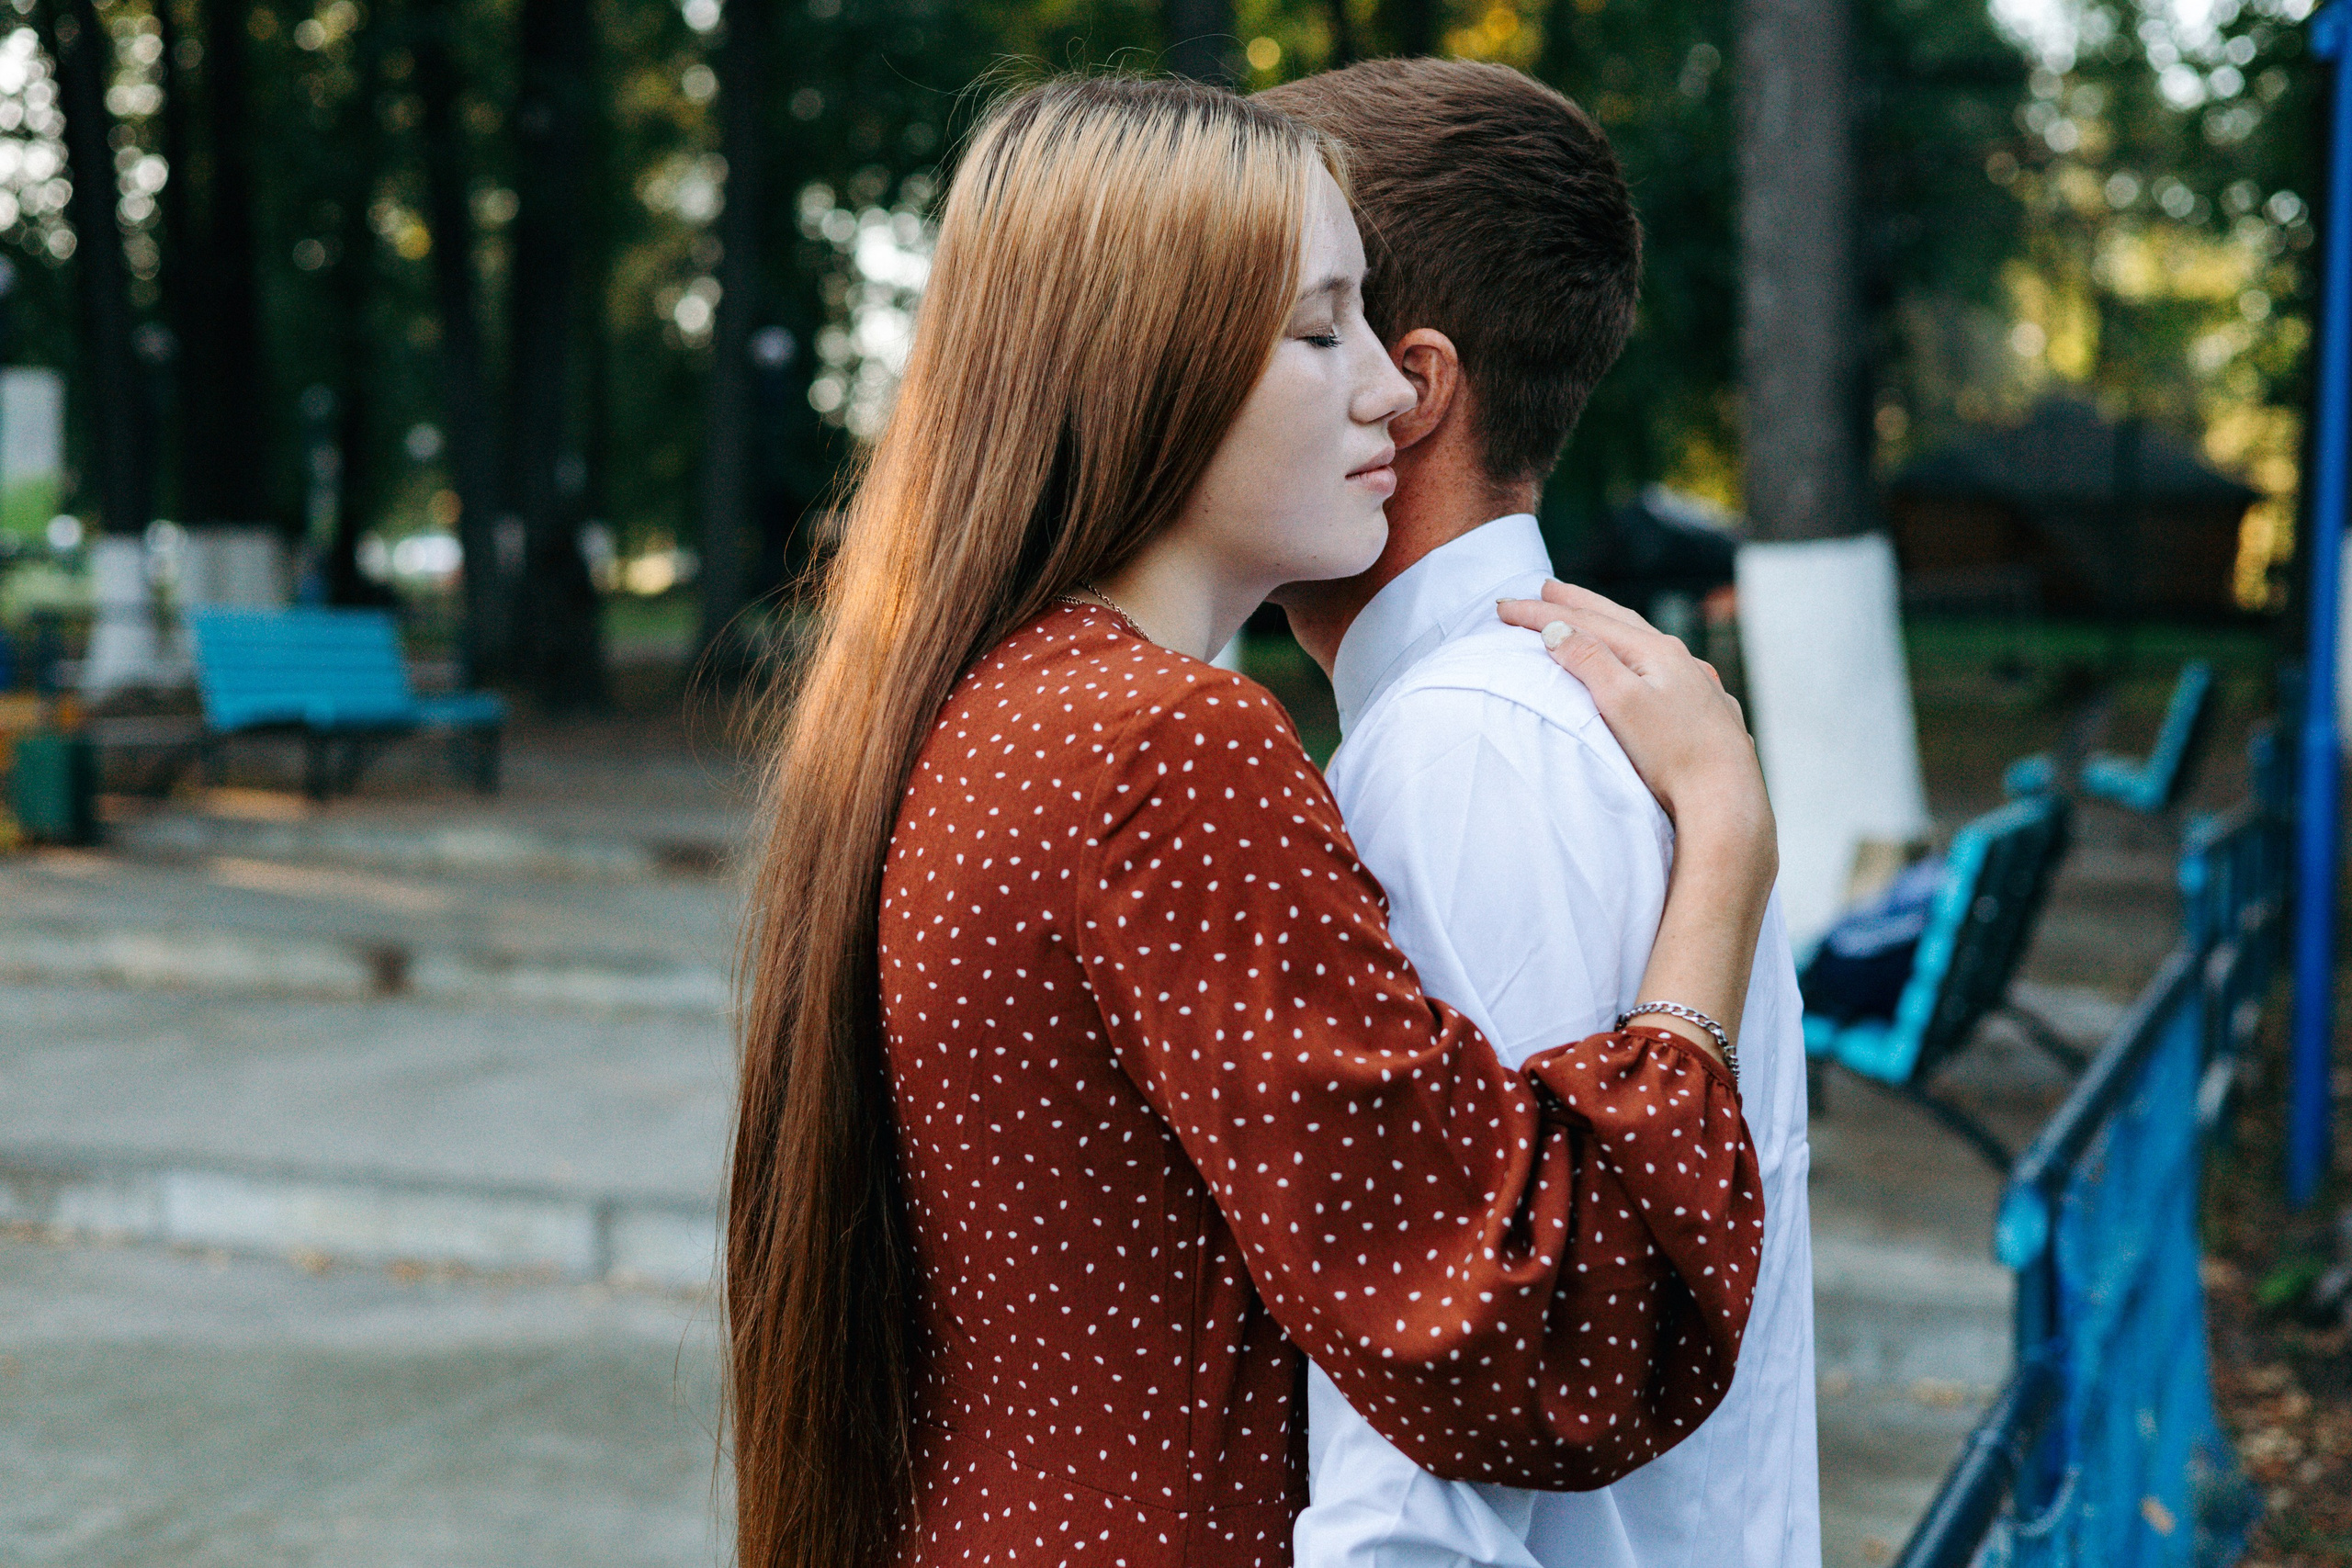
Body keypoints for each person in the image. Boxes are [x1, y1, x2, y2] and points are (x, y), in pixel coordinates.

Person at [726, 74, 1780, 1568]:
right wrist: (1723, 852)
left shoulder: (974, 710)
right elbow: (1533, 1337)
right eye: (1317, 328)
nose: (1390, 389)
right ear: (1143, 362)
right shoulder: (1172, 745)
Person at [1260, 59, 1819, 1568]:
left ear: (1406, 387)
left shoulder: (1464, 761)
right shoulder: (1558, 711)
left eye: (1266, 316)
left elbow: (1432, 1458)